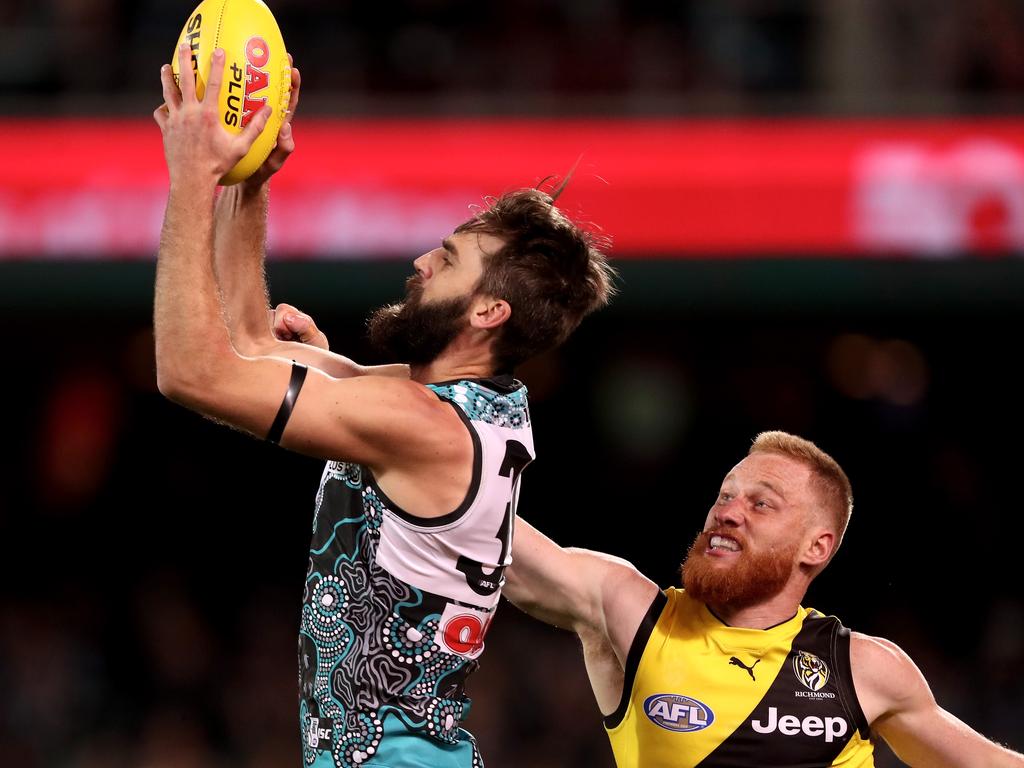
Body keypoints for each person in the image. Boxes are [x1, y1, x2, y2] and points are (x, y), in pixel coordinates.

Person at [151, 44, 614, 768]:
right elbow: (246, 341)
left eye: (448, 258)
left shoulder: (418, 424)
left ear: (489, 311)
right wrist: (249, 181)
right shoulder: (463, 406)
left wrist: (190, 177)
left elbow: (190, 371)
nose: (422, 264)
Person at [503, 431, 1024, 767]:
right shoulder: (632, 614)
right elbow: (493, 540)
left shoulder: (864, 668)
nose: (728, 513)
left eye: (761, 504)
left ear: (817, 546)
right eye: (725, 496)